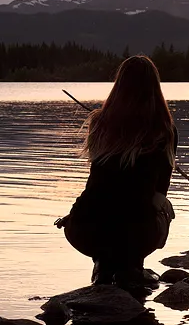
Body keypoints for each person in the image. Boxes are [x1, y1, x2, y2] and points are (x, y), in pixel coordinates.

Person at [59, 55, 178, 288]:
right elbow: (158, 194)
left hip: (84, 229)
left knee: (111, 209)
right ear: (154, 87)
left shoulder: (99, 123)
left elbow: (97, 181)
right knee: (159, 206)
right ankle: (131, 267)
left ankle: (104, 265)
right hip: (136, 235)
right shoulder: (164, 130)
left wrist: (73, 217)